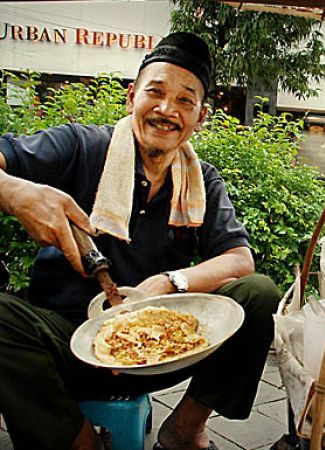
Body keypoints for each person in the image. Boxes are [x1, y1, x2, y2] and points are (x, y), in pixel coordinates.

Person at [0, 32, 281, 450]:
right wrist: (16, 192)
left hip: (158, 350)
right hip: (65, 343)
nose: (168, 110)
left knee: (258, 295)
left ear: (200, 118)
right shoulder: (80, 145)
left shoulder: (201, 180)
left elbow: (240, 259)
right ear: (132, 98)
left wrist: (169, 283)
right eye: (156, 92)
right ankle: (80, 442)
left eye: (186, 101)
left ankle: (185, 430)